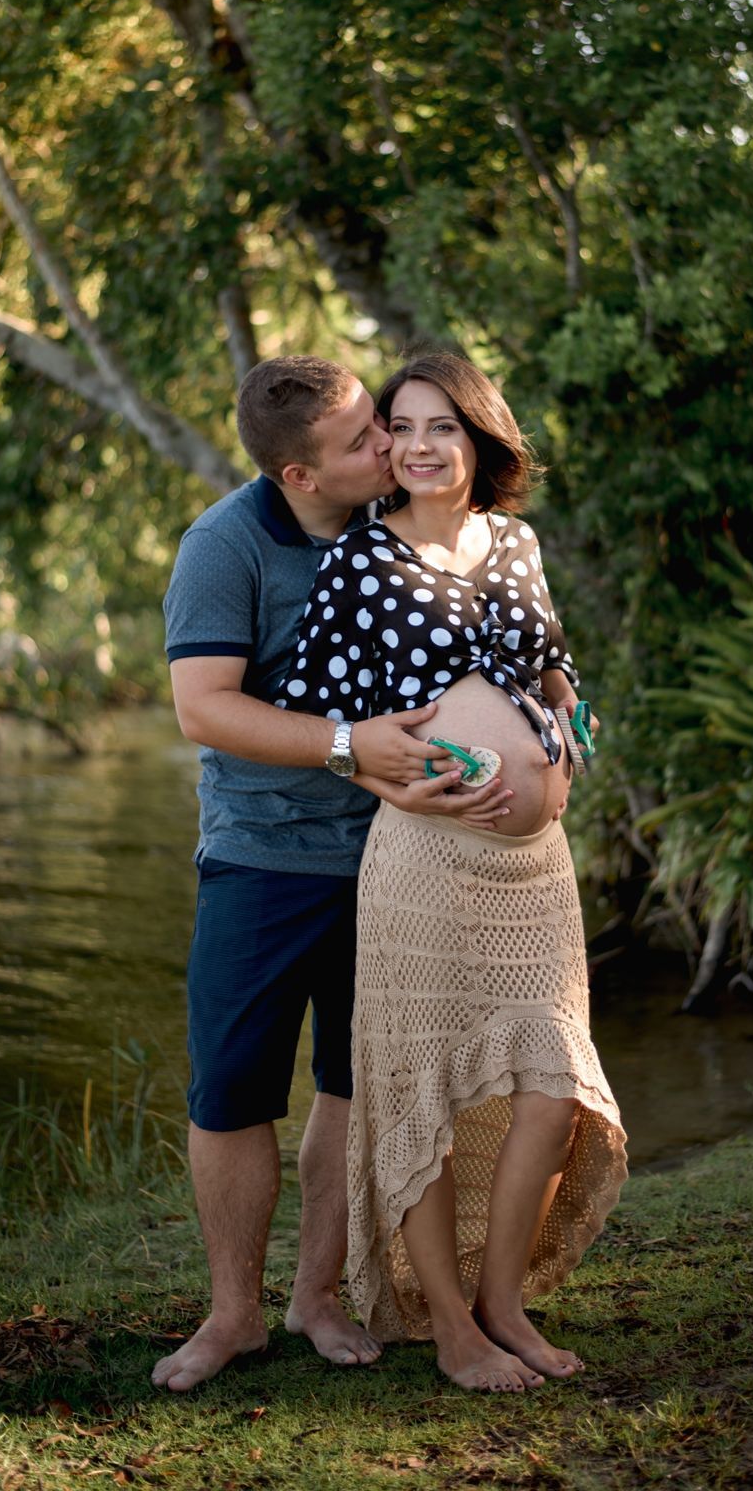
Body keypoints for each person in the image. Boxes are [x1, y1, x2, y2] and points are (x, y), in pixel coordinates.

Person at [155, 356, 517, 1393]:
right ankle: (233, 1316)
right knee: (233, 1092)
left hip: (398, 854)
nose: (392, 444)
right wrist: (349, 744)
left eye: (383, 422)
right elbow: (203, 708)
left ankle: (315, 1296)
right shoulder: (225, 546)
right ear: (300, 476)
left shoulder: (396, 519)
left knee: (355, 1086)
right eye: (366, 439)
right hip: (260, 859)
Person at [277, 352, 627, 1394]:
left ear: (480, 438)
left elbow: (551, 664)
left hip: (536, 867)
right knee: (422, 1086)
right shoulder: (360, 560)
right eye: (404, 426)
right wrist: (394, 776)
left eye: (443, 426)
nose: (421, 445)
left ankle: (502, 1303)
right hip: (424, 858)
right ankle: (452, 1330)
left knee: (552, 1088)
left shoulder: (515, 542)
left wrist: (568, 733)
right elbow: (318, 717)